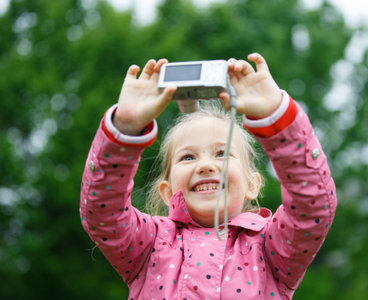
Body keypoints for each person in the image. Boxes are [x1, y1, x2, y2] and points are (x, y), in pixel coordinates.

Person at [80, 53, 337, 299]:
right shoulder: (148, 244)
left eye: (222, 153)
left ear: (252, 184)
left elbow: (312, 207)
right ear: (167, 192)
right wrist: (125, 127)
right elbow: (103, 212)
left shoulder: (272, 248)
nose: (205, 166)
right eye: (188, 157)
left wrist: (277, 116)